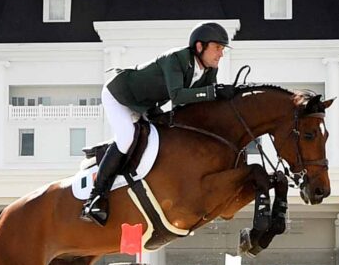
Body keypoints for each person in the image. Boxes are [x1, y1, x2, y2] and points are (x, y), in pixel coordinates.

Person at [83, 22, 230, 225]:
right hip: (121, 95)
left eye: (222, 49)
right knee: (127, 137)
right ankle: (95, 198)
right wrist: (213, 92)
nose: (221, 54)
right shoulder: (176, 59)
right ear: (199, 46)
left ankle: (108, 151)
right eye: (217, 47)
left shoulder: (209, 70)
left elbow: (204, 103)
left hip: (146, 105)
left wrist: (226, 97)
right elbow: (178, 97)